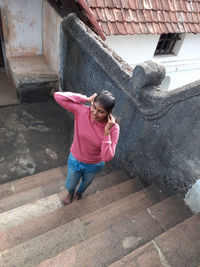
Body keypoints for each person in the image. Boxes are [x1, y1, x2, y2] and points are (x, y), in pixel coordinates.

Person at [54, 90, 120, 205]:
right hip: (75, 159)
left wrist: (106, 132)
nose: (94, 113)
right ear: (92, 103)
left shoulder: (113, 128)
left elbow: (107, 157)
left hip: (94, 164)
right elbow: (58, 96)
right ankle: (70, 193)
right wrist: (85, 99)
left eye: (101, 112)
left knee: (86, 183)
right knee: (70, 183)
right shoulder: (81, 111)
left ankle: (79, 193)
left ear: (108, 113)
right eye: (94, 107)